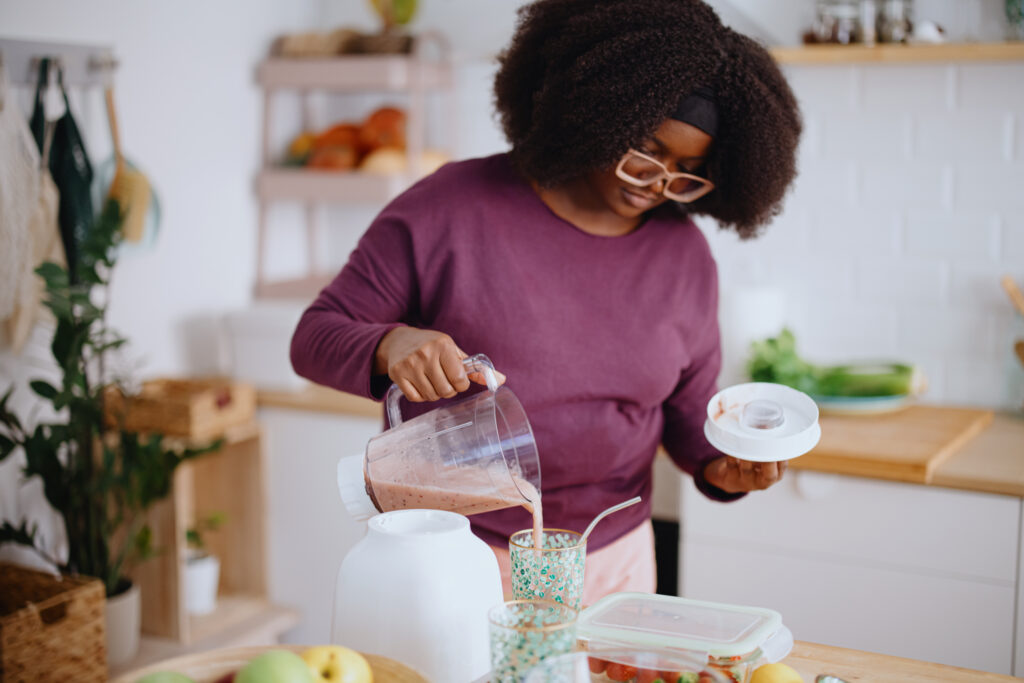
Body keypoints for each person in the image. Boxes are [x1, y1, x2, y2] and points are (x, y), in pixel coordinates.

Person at [290, 0, 802, 604]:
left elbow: (691, 422)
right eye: (645, 153)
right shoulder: (450, 208)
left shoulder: (684, 257)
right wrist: (388, 343)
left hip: (612, 563)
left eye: (686, 173)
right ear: (602, 110)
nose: (657, 187)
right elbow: (313, 338)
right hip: (454, 551)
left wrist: (724, 469)